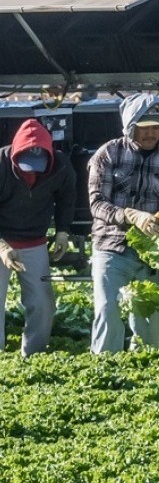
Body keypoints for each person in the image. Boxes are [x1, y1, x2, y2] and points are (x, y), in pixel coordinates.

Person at [88, 94, 159, 353]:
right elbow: (97, 203)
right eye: (143, 128)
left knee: (150, 322)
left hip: (152, 255)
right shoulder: (108, 154)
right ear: (130, 126)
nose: (150, 134)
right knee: (107, 311)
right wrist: (131, 215)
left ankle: (142, 373)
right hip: (112, 246)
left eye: (156, 128)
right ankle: (103, 372)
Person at [0, 118, 75, 355]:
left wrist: (62, 231)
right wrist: (2, 247)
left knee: (43, 304)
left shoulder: (61, 165)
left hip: (34, 241)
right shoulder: (0, 163)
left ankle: (34, 354)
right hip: (2, 238)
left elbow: (67, 197)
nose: (31, 170)